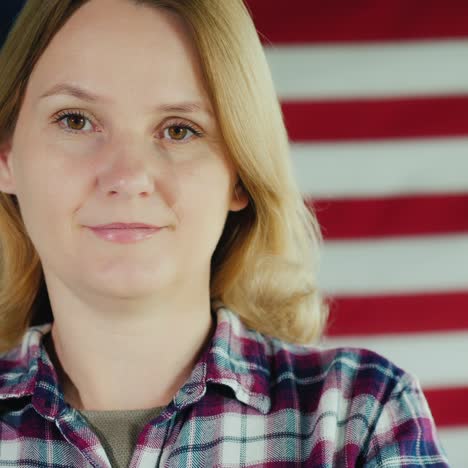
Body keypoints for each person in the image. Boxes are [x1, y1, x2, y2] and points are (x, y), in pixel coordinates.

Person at [0, 0, 450, 467]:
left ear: (239, 171)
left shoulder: (358, 416)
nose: (128, 175)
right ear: (7, 155)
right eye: (75, 120)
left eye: (179, 130)